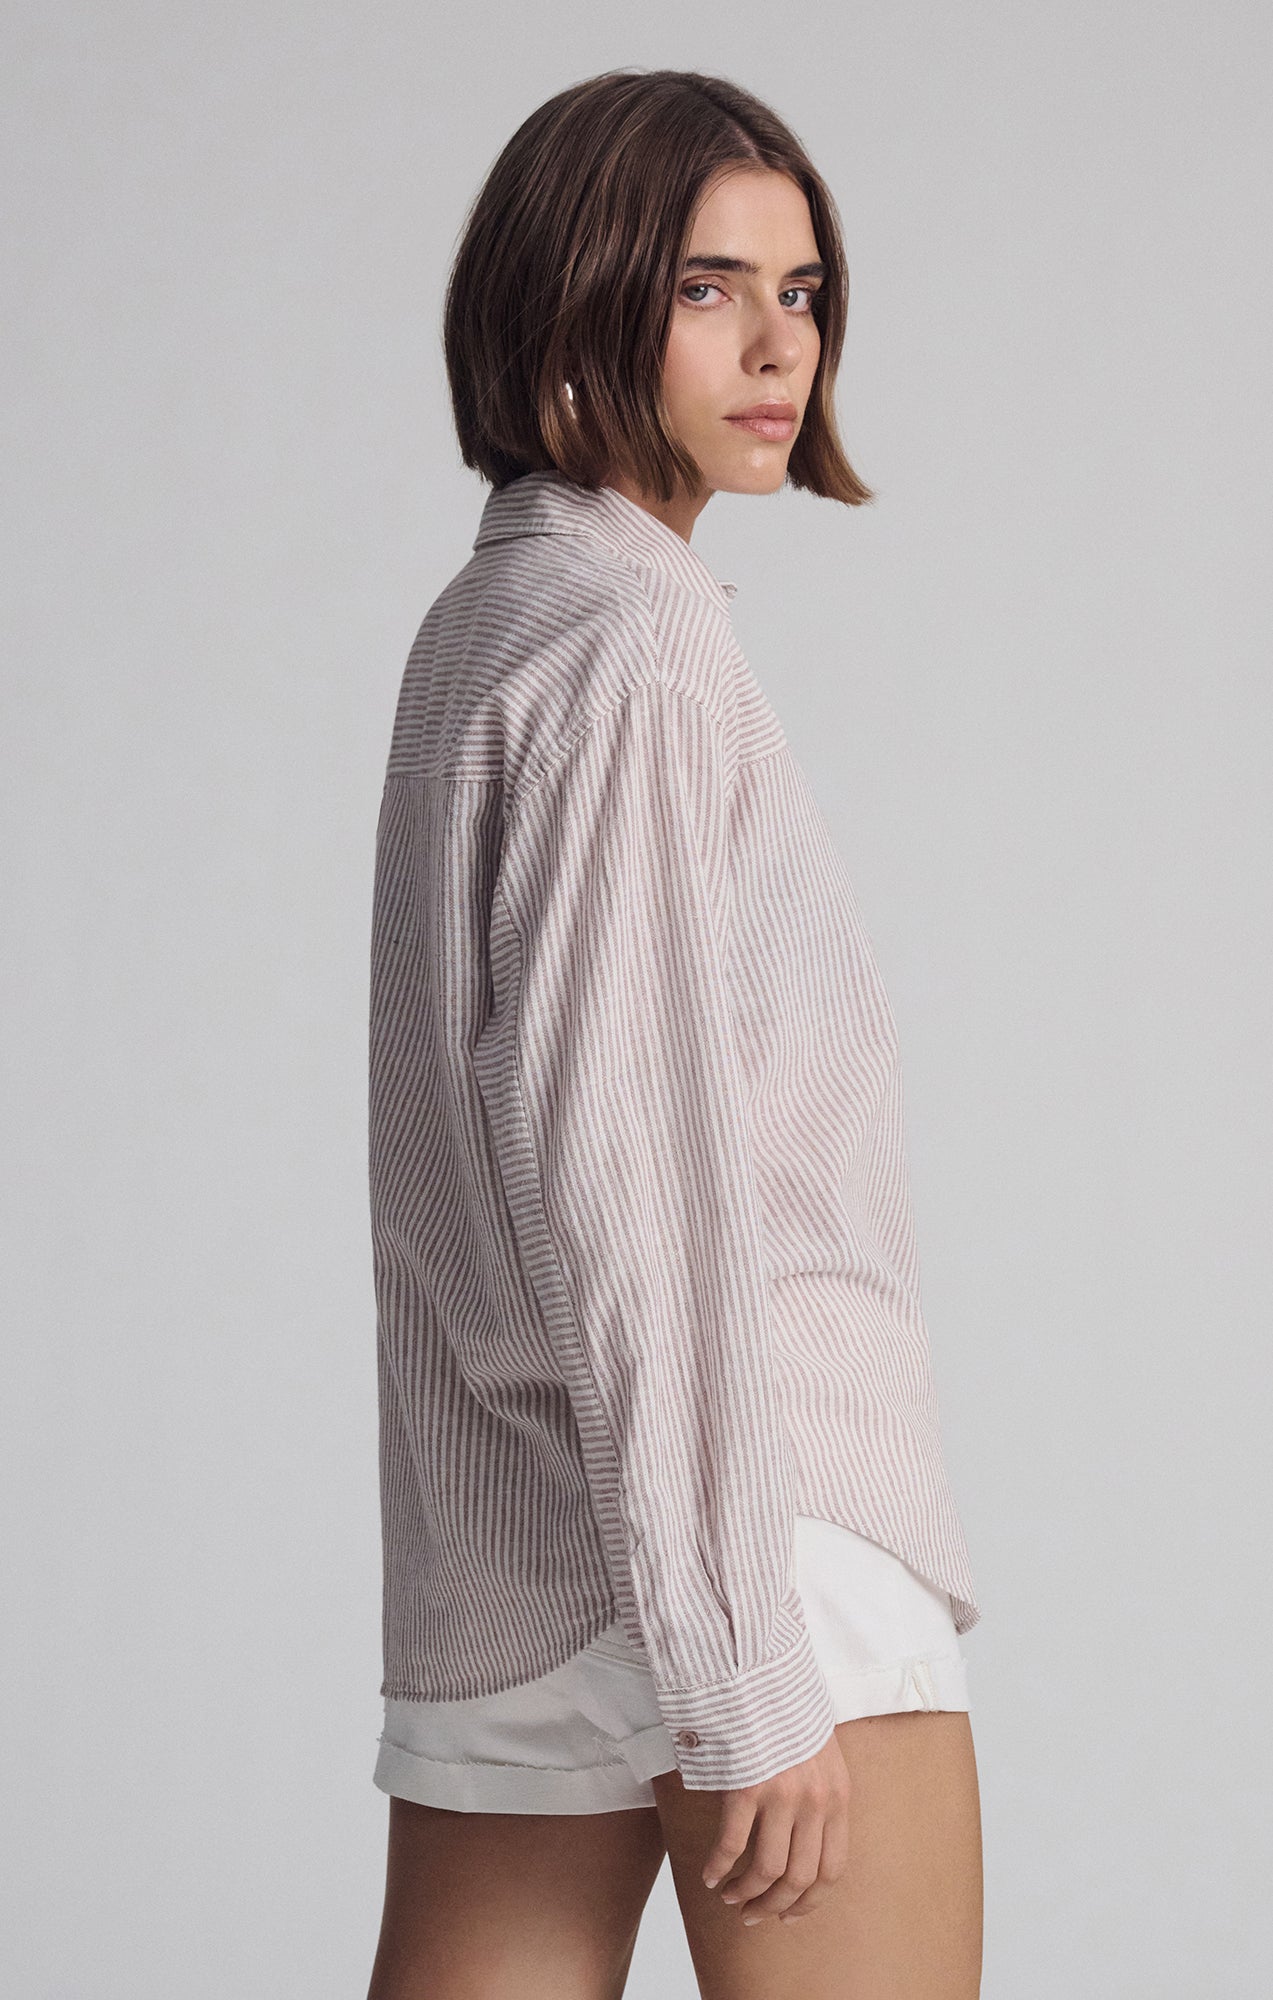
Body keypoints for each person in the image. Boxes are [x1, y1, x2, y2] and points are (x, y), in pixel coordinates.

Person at [364, 67, 983, 2000]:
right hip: (749, 1532)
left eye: (801, 292)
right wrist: (738, 1661)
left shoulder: (490, 621)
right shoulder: (633, 641)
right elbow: (615, 1167)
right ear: (569, 293)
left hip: (508, 1559)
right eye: (707, 287)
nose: (778, 344)